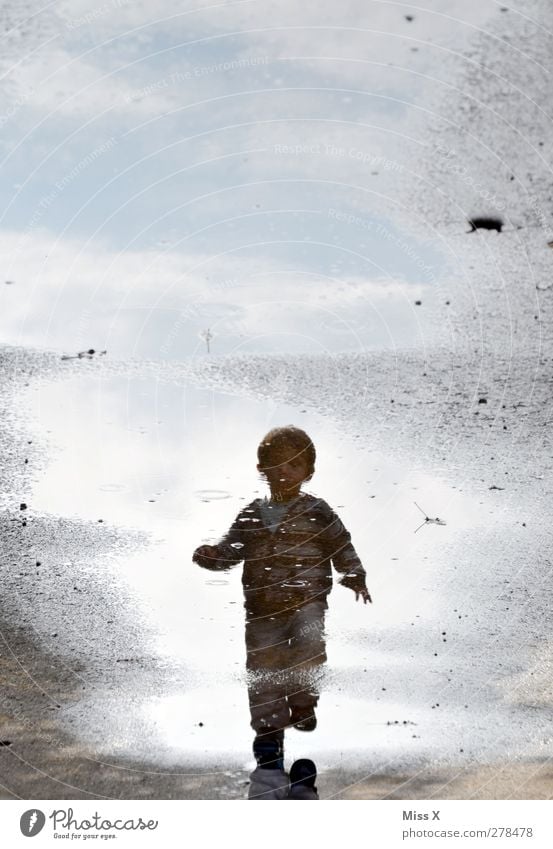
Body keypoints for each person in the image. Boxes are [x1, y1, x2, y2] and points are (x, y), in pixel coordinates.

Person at [193, 425, 371, 745]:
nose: (285, 471)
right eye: (277, 463)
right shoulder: (252, 515)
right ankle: (267, 723)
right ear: (262, 469)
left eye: (294, 465)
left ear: (309, 472)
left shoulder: (319, 512)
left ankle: (303, 703)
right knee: (263, 662)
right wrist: (211, 556)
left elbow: (340, 544)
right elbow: (232, 548)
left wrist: (354, 574)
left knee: (309, 647)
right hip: (262, 606)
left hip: (308, 600)